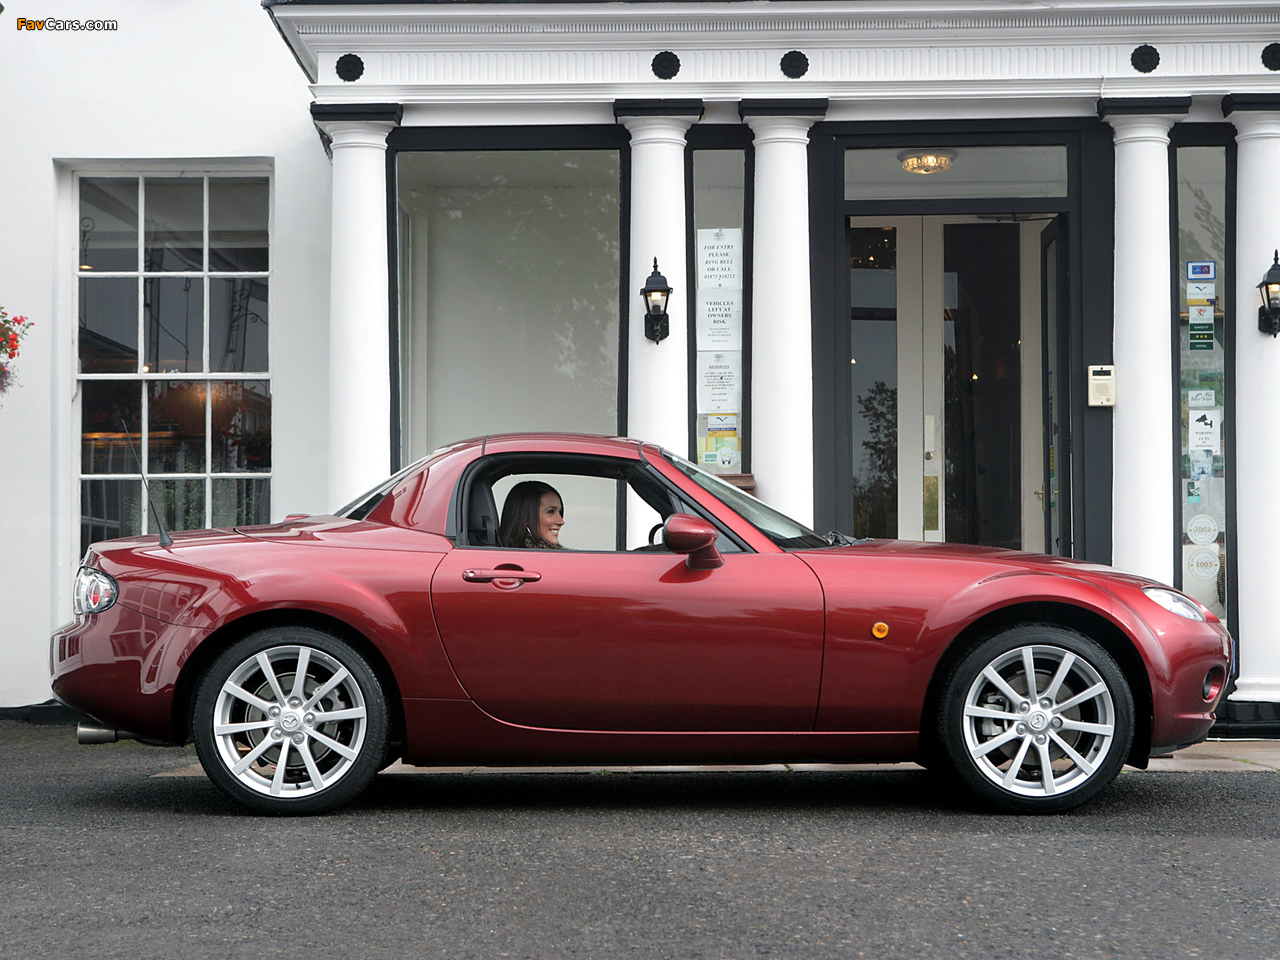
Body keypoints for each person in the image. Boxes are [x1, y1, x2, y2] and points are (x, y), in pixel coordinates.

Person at [498, 480, 565, 549]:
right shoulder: (527, 557)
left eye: (560, 512)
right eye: (551, 511)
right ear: (526, 517)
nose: (561, 521)